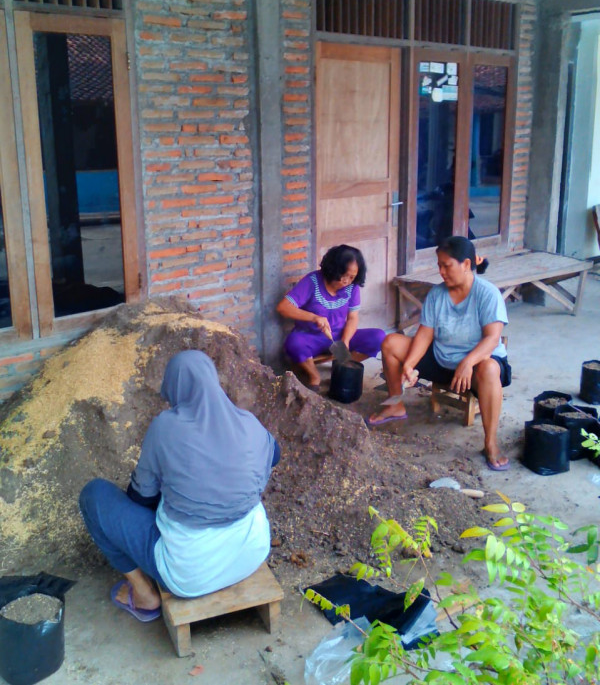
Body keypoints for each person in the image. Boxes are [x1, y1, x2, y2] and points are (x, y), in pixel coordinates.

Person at [79, 349, 279, 622]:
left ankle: (144, 595)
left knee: (95, 495)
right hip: (252, 553)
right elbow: (274, 455)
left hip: (190, 574)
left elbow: (140, 498)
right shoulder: (248, 422)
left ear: (173, 388)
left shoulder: (165, 428)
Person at [369, 236, 511, 471]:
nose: (441, 271)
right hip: (442, 358)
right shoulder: (437, 294)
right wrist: (410, 364)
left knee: (490, 368)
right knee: (391, 343)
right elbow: (424, 334)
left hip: (476, 365)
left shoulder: (488, 293)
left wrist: (468, 362)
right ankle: (395, 405)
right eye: (439, 265)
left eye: (447, 265)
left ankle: (490, 443)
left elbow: (492, 338)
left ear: (466, 264)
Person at [276, 244, 386, 392]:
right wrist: (314, 317)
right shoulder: (312, 281)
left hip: (338, 337)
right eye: (343, 275)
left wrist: (345, 341)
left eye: (352, 277)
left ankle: (341, 370)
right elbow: (283, 307)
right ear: (334, 269)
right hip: (311, 337)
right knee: (293, 343)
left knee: (379, 337)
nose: (346, 281)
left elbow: (353, 318)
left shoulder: (352, 287)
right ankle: (314, 377)